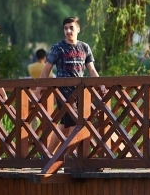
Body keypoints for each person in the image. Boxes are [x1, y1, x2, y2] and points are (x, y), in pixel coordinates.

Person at [36, 17, 104, 152]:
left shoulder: (84, 47)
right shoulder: (58, 47)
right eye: (65, 28)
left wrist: (100, 84)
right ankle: (74, 159)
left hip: (80, 91)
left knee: (65, 125)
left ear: (78, 29)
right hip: (63, 91)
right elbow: (46, 69)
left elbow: (91, 70)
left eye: (71, 28)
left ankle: (48, 154)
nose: (68, 31)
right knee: (75, 124)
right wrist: (38, 90)